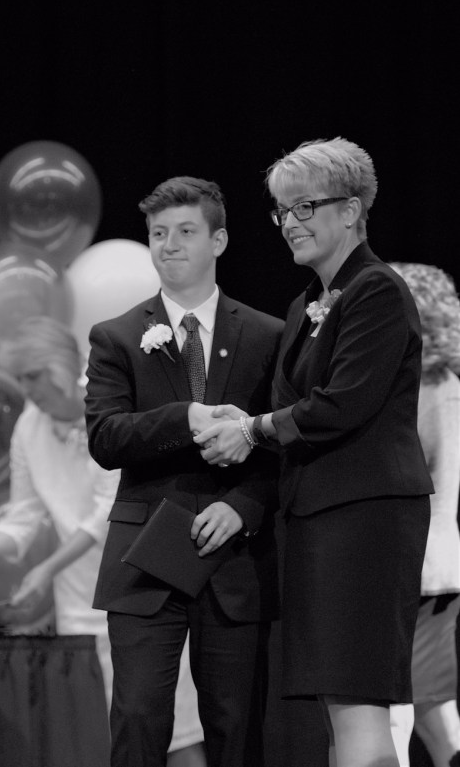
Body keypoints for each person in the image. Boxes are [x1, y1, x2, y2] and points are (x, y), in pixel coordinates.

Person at [193, 138, 434, 767]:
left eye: (305, 207)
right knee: (336, 708)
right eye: (282, 211)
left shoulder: (378, 290)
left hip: (366, 520)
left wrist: (251, 429)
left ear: (351, 210)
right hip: (316, 522)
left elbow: (339, 406)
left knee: (358, 705)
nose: (289, 223)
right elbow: (293, 408)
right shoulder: (305, 305)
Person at [0, 315, 206, 766]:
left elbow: (106, 511)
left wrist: (46, 569)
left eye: (32, 376)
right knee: (96, 737)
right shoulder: (29, 427)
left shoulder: (107, 407)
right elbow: (25, 515)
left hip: (139, 592)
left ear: (60, 366)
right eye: (19, 379)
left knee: (174, 734)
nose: (26, 390)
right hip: (78, 607)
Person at [84, 176, 284, 767]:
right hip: (144, 555)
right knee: (138, 718)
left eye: (185, 231)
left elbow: (285, 443)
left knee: (236, 723)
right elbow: (105, 438)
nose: (168, 244)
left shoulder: (268, 335)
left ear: (218, 241)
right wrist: (185, 416)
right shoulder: (116, 336)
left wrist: (244, 506)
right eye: (157, 233)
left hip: (234, 555)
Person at [388, 263, 460, 767]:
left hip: (419, 569)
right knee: (432, 704)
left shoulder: (432, 388)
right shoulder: (439, 383)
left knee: (398, 706)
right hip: (430, 567)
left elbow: (423, 470)